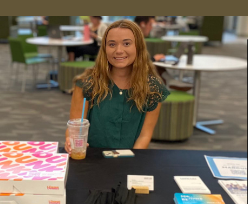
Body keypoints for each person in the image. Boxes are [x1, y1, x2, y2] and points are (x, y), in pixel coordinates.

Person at [66, 20, 170, 150]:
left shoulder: (152, 88)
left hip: (131, 160)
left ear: (138, 47)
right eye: (112, 44)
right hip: (91, 160)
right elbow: (74, 128)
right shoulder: (87, 83)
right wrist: (70, 140)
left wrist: (131, 162)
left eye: (126, 43)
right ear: (105, 49)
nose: (119, 50)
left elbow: (144, 136)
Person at [133, 16, 191, 92]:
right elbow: (134, 63)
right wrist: (153, 59)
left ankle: (170, 81)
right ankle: (170, 81)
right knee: (153, 64)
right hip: (132, 74)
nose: (151, 28)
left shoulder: (136, 37)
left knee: (155, 63)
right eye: (150, 24)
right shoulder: (133, 39)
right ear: (143, 24)